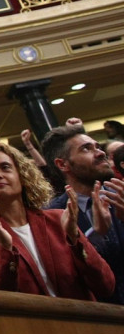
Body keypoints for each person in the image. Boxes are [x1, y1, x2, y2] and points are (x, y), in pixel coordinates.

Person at [0, 140, 114, 301]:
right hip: (29, 325)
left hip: (81, 321)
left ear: (22, 175)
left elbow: (105, 285)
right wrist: (6, 249)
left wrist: (75, 238)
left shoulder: (58, 219)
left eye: (5, 167)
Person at [41, 125, 124, 304]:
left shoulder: (121, 194)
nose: (100, 153)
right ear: (62, 164)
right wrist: (95, 236)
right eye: (86, 149)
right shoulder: (50, 216)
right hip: (98, 318)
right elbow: (67, 275)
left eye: (97, 147)